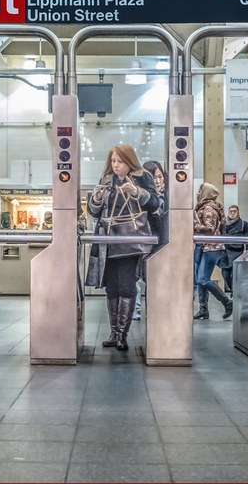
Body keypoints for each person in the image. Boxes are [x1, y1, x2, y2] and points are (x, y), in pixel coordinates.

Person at [85, 144, 159, 351]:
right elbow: (94, 212)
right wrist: (96, 199)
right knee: (111, 288)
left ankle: (122, 335)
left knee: (126, 286)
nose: (115, 165)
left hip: (130, 241)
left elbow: (155, 204)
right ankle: (114, 333)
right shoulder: (107, 180)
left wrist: (136, 192)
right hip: (107, 242)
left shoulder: (142, 176)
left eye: (119, 161)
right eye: (113, 161)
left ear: (129, 161)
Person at [192, 182, 233, 320]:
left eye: (200, 190)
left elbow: (208, 229)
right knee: (201, 279)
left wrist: (193, 224)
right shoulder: (207, 207)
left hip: (211, 248)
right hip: (206, 247)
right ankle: (203, 309)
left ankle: (227, 302)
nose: (198, 193)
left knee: (202, 279)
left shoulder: (208, 208)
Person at [133, 160, 168, 320]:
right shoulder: (144, 198)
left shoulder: (170, 197)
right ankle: (136, 310)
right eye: (154, 178)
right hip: (145, 241)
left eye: (161, 177)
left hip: (163, 244)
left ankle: (158, 310)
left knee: (157, 279)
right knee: (139, 277)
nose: (158, 181)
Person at [221, 204, 248, 294]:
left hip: (238, 252)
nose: (232, 213)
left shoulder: (244, 224)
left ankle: (235, 292)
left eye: (234, 211)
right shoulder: (224, 224)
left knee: (236, 275)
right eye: (231, 211)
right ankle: (232, 290)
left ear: (238, 212)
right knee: (225, 274)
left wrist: (247, 253)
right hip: (226, 252)